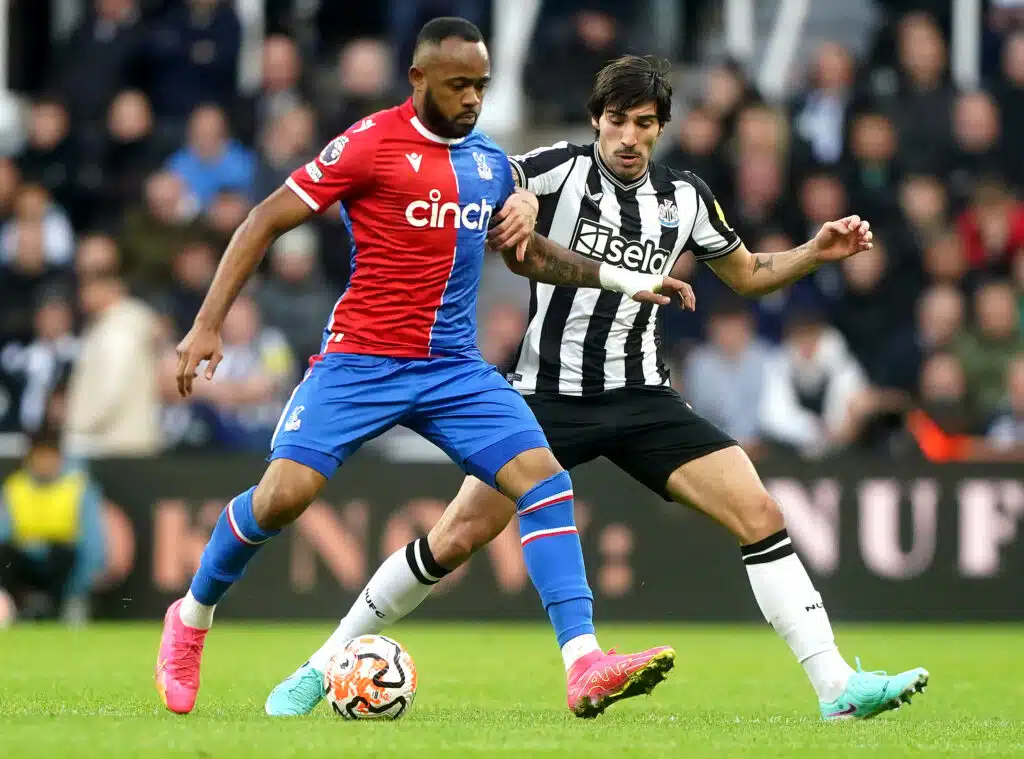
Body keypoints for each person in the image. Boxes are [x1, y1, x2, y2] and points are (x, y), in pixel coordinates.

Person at [270, 55, 929, 722]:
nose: (629, 136)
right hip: (544, 396)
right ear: (597, 120)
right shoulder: (557, 167)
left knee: (760, 513)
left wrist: (814, 251)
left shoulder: (686, 197)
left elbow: (749, 273)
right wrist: (521, 203)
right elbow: (504, 182)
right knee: (454, 537)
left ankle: (836, 687)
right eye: (617, 120)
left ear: (661, 128)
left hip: (643, 397)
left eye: (644, 123)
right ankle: (321, 662)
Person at [155, 19, 692, 717]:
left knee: (545, 480)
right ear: (419, 80)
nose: (472, 99)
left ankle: (583, 661)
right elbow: (263, 219)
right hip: (360, 360)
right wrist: (206, 322)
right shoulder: (370, 144)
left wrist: (619, 277)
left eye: (481, 86)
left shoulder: (490, 163)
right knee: (282, 496)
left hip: (451, 368)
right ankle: (191, 616)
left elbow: (526, 256)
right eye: (459, 84)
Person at [0, 425, 107, 623]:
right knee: (5, 553)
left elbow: (93, 545)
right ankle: (9, 607)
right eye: (40, 457)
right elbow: (3, 533)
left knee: (64, 554)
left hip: (60, 565)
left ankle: (63, 607)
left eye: (50, 457)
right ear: (30, 459)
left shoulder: (79, 488)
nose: (45, 464)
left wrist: (81, 586)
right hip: (24, 561)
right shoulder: (15, 488)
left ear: (60, 459)